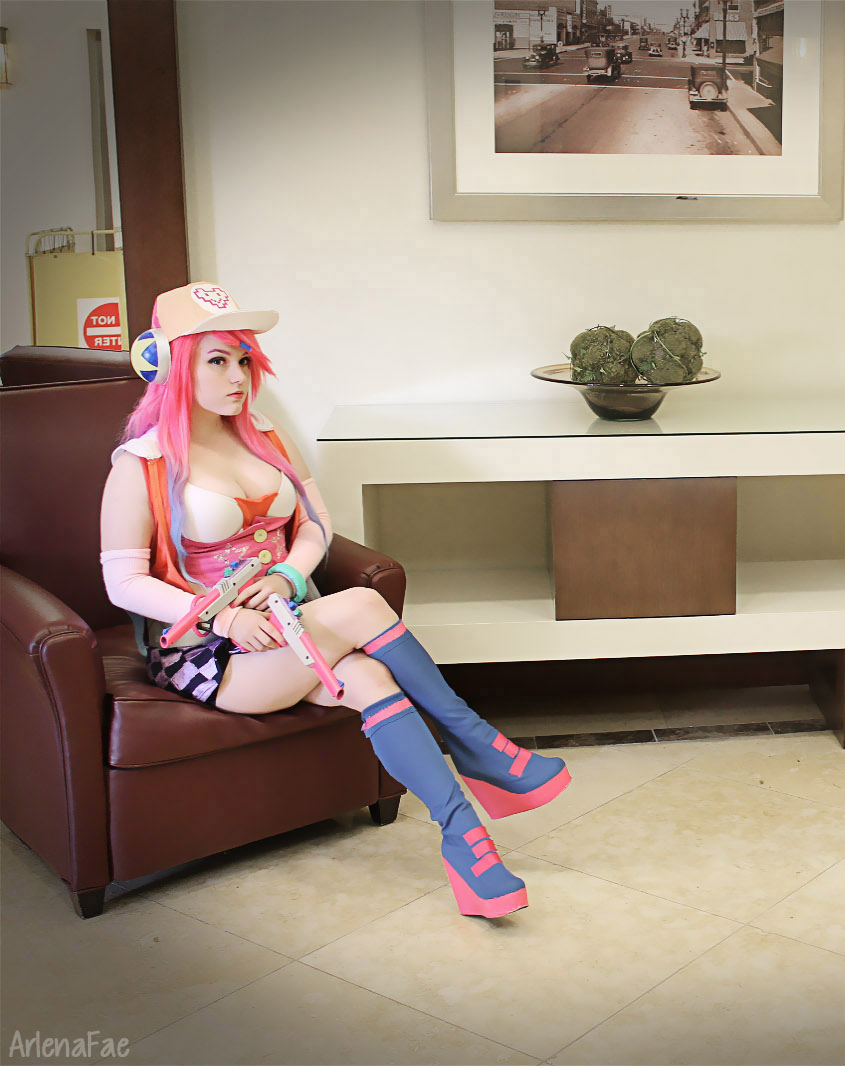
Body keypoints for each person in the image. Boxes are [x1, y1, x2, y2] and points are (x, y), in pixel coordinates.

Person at [99, 283, 570, 918]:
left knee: (372, 677)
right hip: (212, 656)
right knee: (361, 606)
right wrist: (225, 614)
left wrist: (288, 577)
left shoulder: (264, 434)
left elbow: (317, 525)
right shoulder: (142, 463)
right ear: (172, 363)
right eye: (217, 360)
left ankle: (466, 843)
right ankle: (478, 745)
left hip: (290, 628)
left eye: (244, 359)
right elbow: (123, 582)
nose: (238, 376)